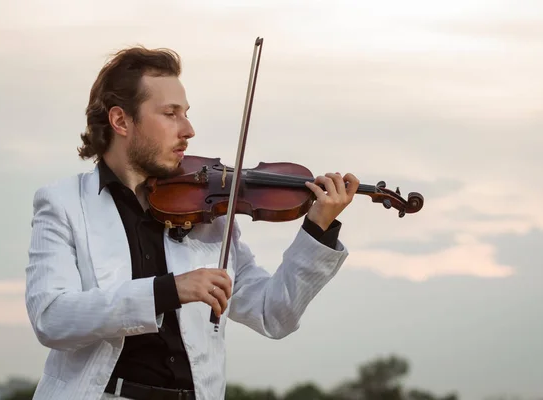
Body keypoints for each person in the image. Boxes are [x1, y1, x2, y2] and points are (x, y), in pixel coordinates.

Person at [25, 46, 359, 400]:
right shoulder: (63, 204)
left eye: (186, 113)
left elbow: (273, 313)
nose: (189, 130)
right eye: (171, 114)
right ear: (121, 121)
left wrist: (317, 228)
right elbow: (52, 317)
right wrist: (168, 290)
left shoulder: (208, 215)